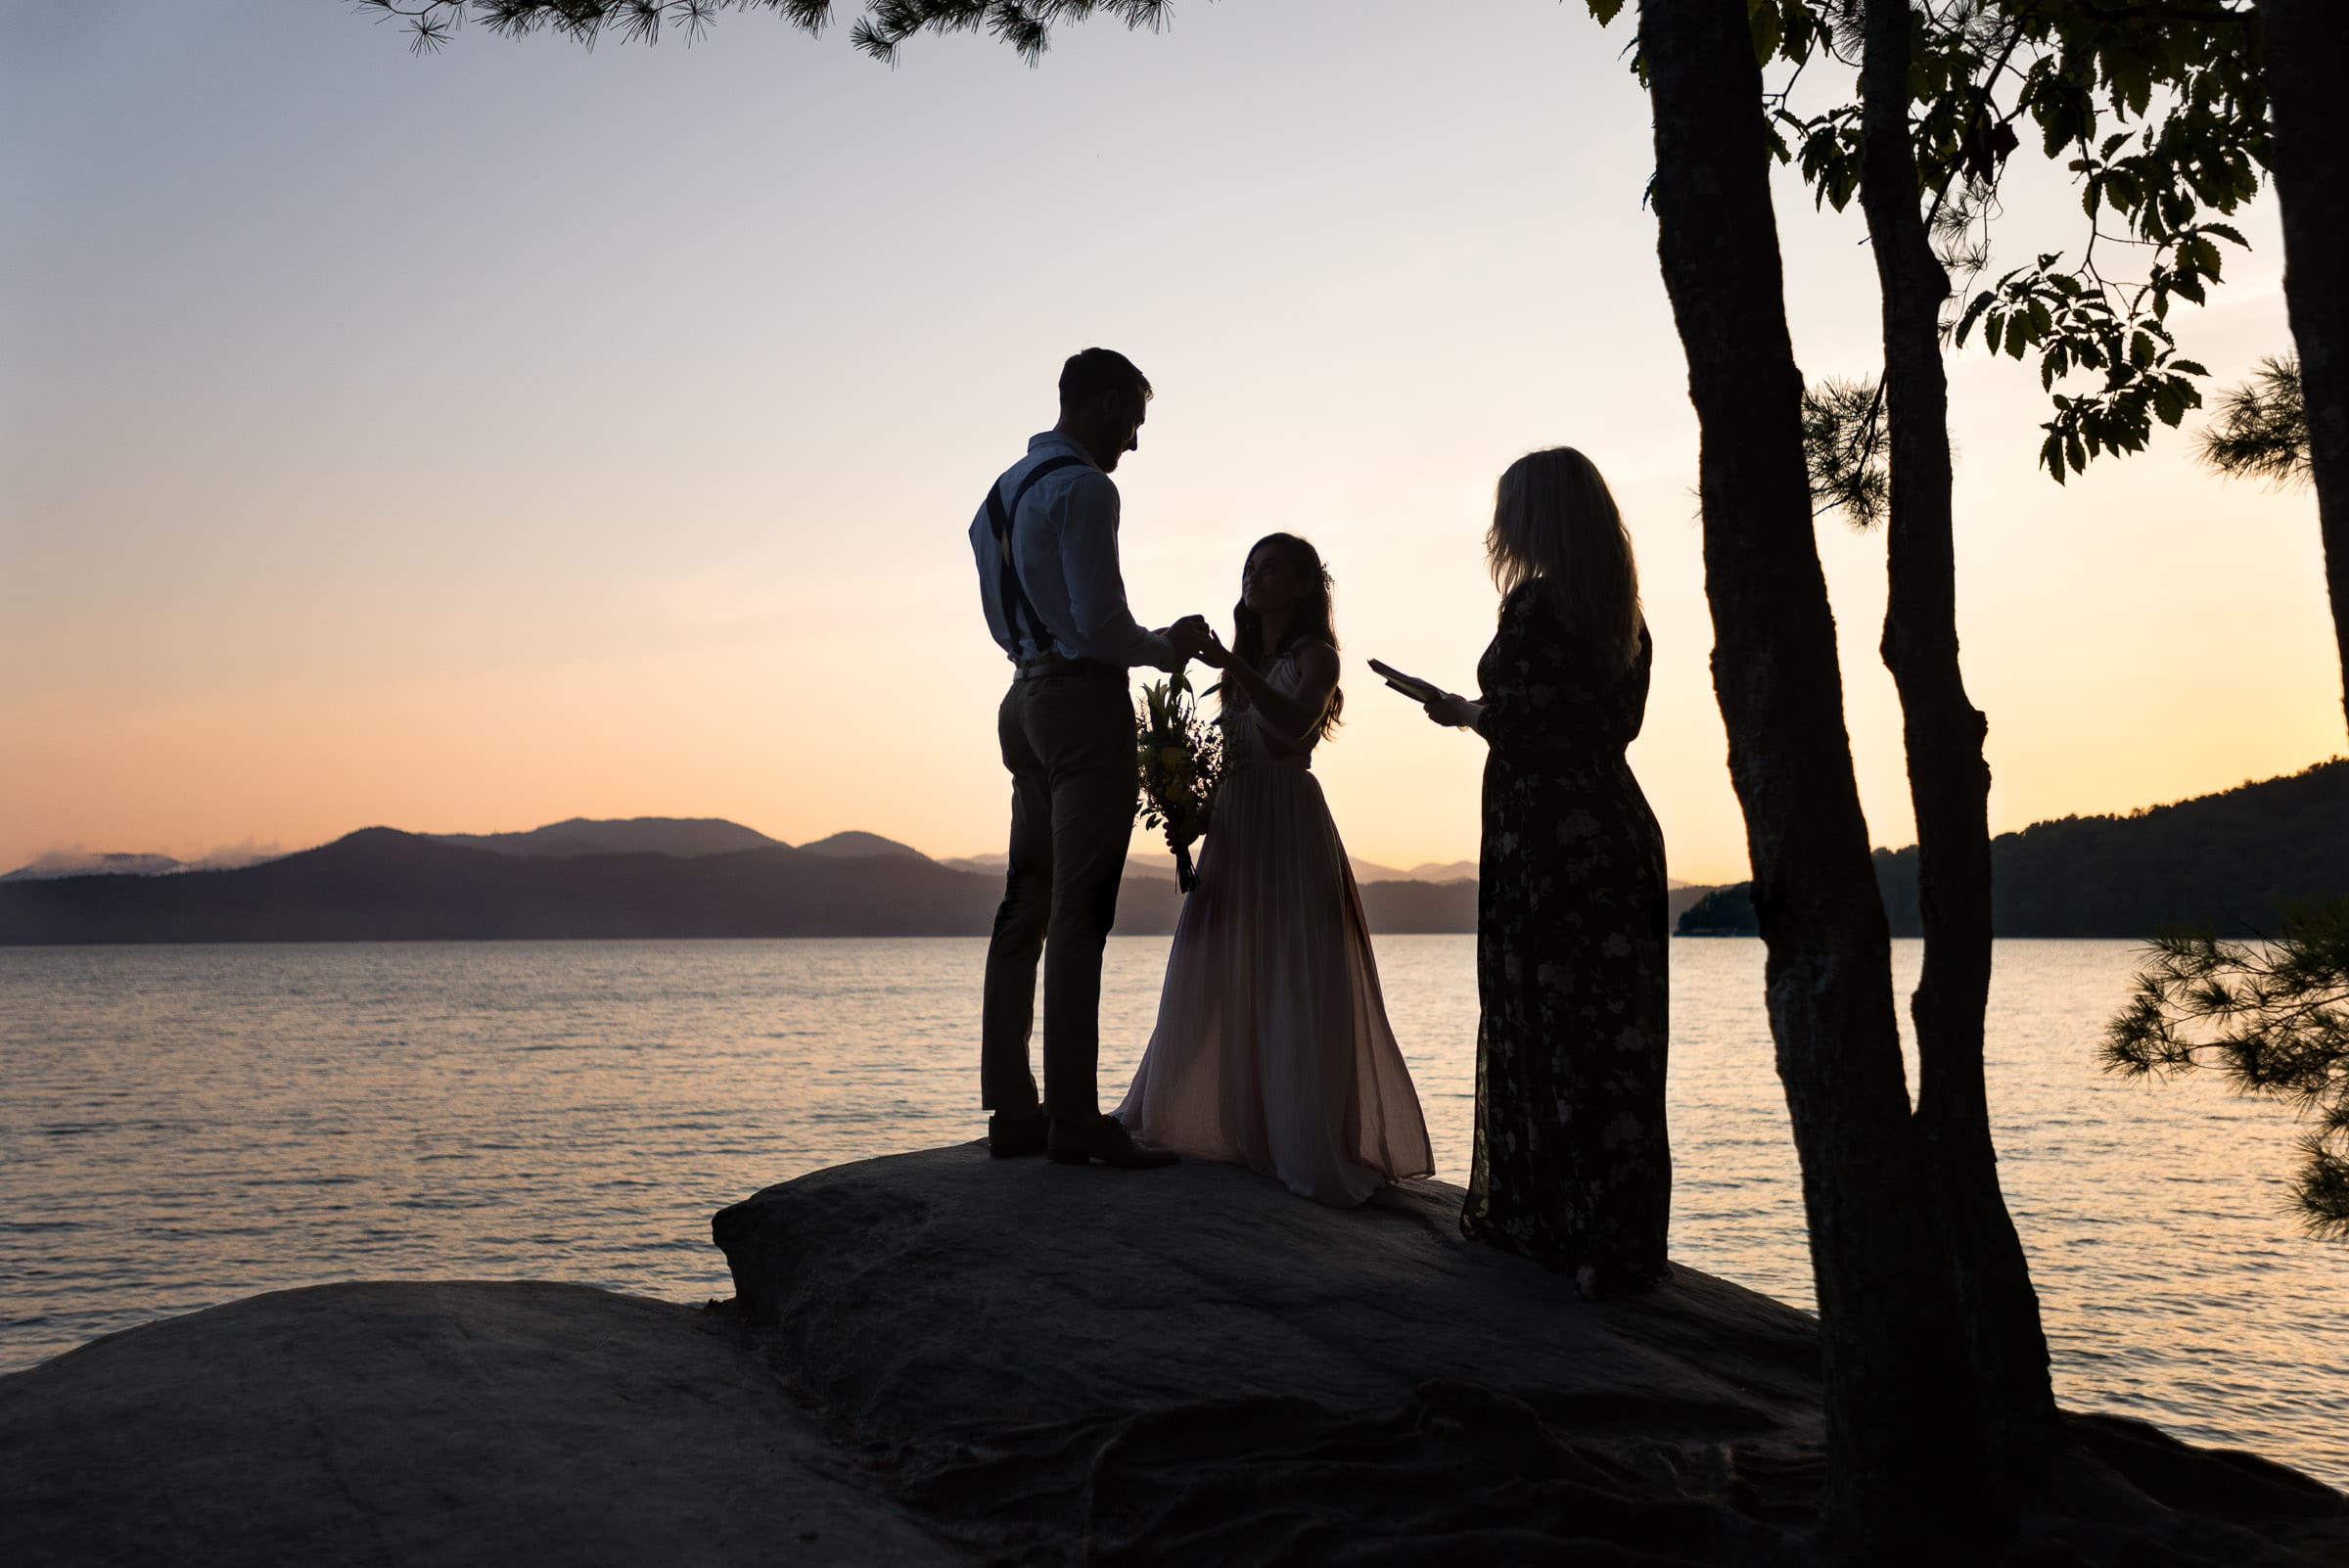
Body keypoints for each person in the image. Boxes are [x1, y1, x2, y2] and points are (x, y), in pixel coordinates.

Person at [1116, 533, 1435, 1205]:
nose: (1255, 578)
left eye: (1270, 568)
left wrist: (1234, 663)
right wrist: (1191, 816)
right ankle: (1217, 1121)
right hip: (1237, 826)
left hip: (1289, 827)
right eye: (1248, 568)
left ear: (1301, 586)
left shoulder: (1316, 658)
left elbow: (1291, 725)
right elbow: (1235, 760)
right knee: (1213, 966)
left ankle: (1299, 1139)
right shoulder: (1248, 665)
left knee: (1292, 972)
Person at [1420, 447, 1671, 1295]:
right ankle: (1613, 1239)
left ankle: (1549, 1224)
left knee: (1546, 1022)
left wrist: (1468, 712)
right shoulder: (1624, 615)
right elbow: (1586, 723)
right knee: (1613, 1037)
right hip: (1617, 830)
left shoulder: (1533, 606)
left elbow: (1526, 724)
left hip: (1547, 841)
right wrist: (1473, 713)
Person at [971, 348, 1211, 1169]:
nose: (1133, 446)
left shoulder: (998, 497)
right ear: (1105, 405)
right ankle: (1074, 1116)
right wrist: (1166, 647)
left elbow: (1007, 618)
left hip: (1022, 699)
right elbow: (1104, 622)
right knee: (1082, 909)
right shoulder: (1086, 489)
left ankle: (1013, 1109)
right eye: (1133, 424)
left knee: (1023, 902)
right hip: (1079, 702)